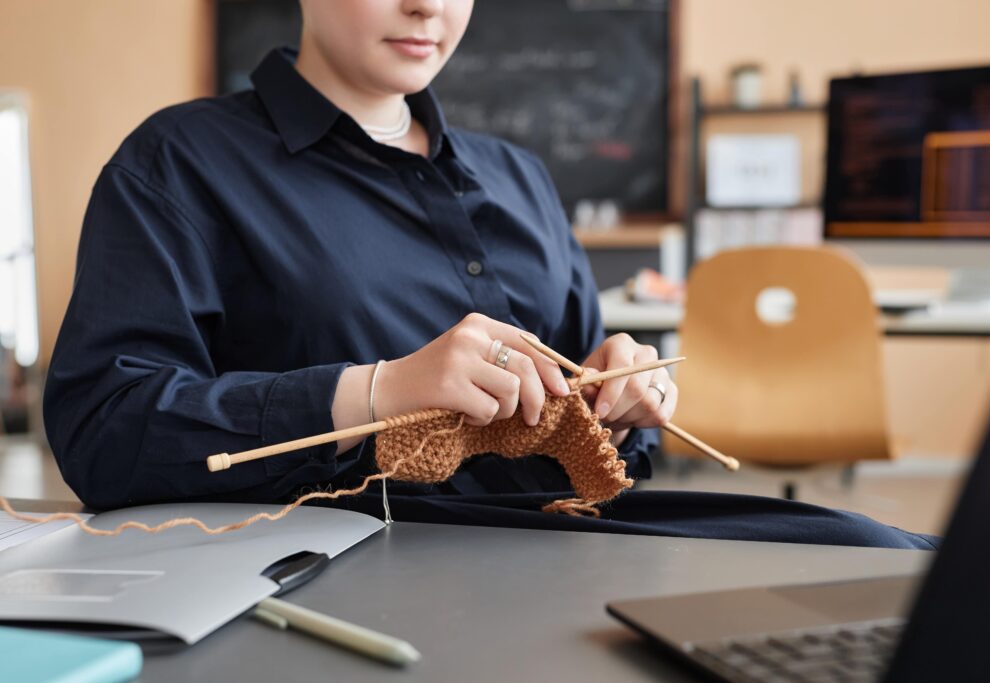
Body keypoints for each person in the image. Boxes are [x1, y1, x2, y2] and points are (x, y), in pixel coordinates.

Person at [44, 0, 935, 550]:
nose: (426, 4)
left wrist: (621, 401)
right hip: (355, 557)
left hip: (570, 543)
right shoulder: (180, 163)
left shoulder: (518, 176)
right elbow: (103, 431)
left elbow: (613, 446)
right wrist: (377, 392)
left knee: (884, 553)